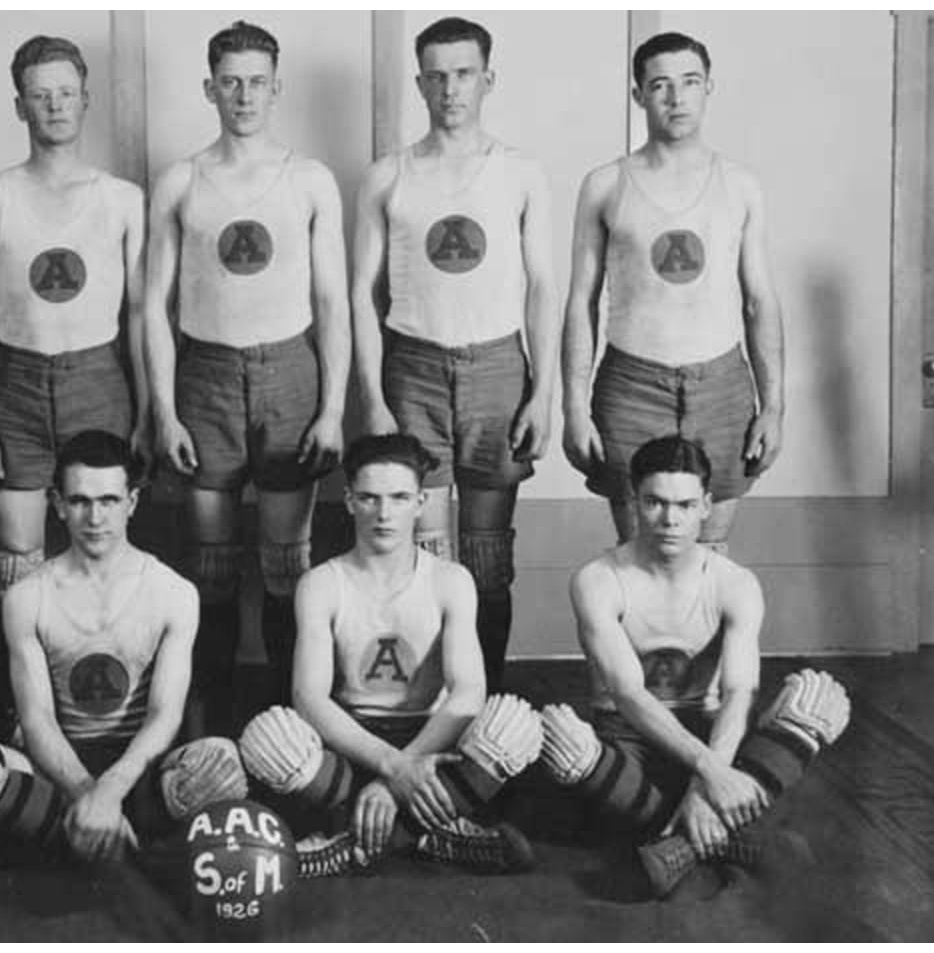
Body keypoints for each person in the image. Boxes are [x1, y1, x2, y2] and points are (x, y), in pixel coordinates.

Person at [143, 20, 351, 735]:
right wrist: (164, 412)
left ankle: (293, 721)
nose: (243, 95)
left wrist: (331, 409)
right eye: (229, 82)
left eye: (257, 82)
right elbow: (153, 306)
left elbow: (332, 302)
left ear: (276, 87)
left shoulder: (309, 179)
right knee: (211, 563)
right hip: (204, 375)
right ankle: (213, 724)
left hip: (289, 371)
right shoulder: (181, 180)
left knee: (288, 560)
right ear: (209, 88)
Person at [539, 436, 849, 897]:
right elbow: (628, 694)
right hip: (631, 740)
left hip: (710, 732)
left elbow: (739, 693)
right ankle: (725, 832)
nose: (670, 520)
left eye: (684, 505)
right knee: (559, 738)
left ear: (705, 505)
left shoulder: (735, 583)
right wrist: (714, 774)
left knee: (818, 694)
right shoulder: (597, 580)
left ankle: (679, 839)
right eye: (655, 503)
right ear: (634, 501)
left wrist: (707, 776)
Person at [0, 431, 247, 864]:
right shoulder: (26, 597)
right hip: (59, 766)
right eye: (80, 501)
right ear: (58, 504)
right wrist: (86, 794)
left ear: (132, 502)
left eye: (109, 501)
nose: (95, 517)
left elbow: (164, 715)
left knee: (223, 764)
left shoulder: (174, 593)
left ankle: (55, 837)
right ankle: (118, 841)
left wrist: (109, 792)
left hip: (139, 769)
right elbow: (37, 720)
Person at [352, 17, 558, 691]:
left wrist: (543, 393)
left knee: (487, 558)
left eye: (464, 73)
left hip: (497, 368)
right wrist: (373, 397)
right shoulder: (388, 176)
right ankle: (425, 703)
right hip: (412, 366)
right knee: (423, 556)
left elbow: (543, 289)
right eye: (437, 76)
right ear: (419, 84)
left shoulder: (520, 173)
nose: (450, 88)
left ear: (487, 79)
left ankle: (483, 700)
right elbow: (361, 293)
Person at [237, 434, 544, 877]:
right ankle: (433, 832)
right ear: (349, 501)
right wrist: (392, 766)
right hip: (353, 746)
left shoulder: (451, 580)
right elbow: (309, 698)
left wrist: (400, 772)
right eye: (369, 498)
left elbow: (467, 693)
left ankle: (357, 838)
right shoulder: (321, 584)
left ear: (420, 502)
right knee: (265, 738)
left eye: (399, 498)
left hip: (431, 741)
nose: (384, 514)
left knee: (518, 722)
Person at [561, 32, 783, 552]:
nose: (676, 98)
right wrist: (573, 406)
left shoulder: (740, 185)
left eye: (690, 82)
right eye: (660, 85)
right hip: (631, 383)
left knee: (710, 553)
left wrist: (774, 406)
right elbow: (580, 302)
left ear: (709, 88)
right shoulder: (605, 184)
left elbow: (760, 302)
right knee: (640, 553)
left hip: (722, 384)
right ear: (638, 94)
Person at [0, 36, 149, 617]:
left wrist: (147, 413)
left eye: (66, 93)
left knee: (101, 548)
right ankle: (21, 681)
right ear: (20, 106)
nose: (55, 105)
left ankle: (101, 674)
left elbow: (140, 314)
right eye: (40, 95)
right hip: (15, 383)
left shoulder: (122, 198)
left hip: (99, 381)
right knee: (16, 563)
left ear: (86, 100)